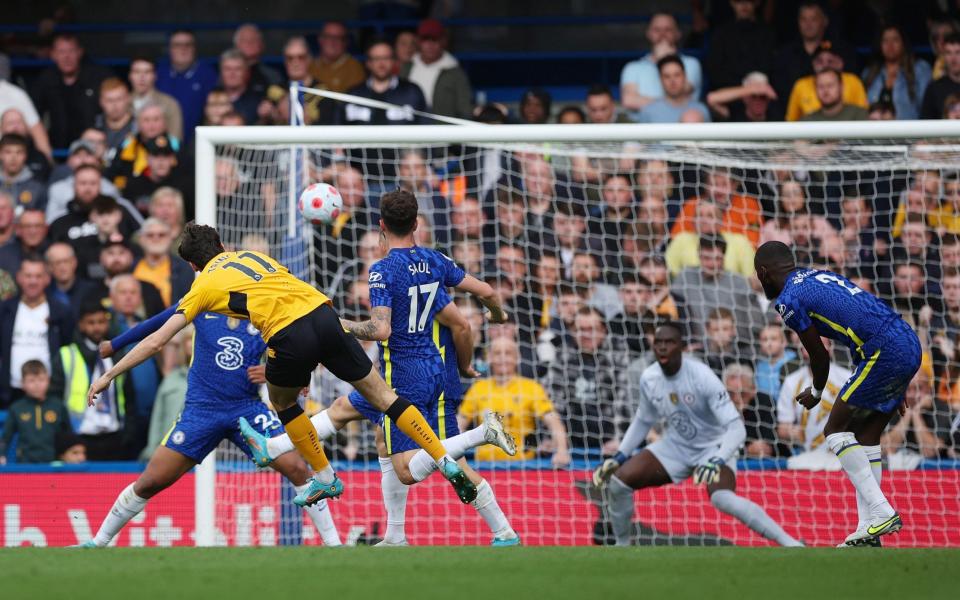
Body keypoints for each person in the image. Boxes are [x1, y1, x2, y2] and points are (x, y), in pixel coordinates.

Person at [85, 221, 476, 508]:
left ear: (191, 265)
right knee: (386, 397)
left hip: (288, 337)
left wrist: (108, 374)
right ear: (223, 243)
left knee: (284, 404)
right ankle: (444, 459)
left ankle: (324, 478)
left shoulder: (201, 286)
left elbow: (156, 339)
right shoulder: (253, 256)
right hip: (325, 314)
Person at [241, 189, 519, 546]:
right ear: (417, 223)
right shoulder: (435, 261)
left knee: (409, 468)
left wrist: (336, 324)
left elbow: (380, 329)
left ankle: (482, 437)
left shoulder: (383, 270)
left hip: (399, 375)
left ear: (381, 225)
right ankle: (395, 536)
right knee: (352, 415)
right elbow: (486, 292)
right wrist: (496, 315)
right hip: (432, 366)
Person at [77, 301, 343, 548]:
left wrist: (277, 372)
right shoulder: (201, 301)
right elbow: (157, 324)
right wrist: (115, 344)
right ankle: (98, 542)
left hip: (246, 408)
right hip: (201, 411)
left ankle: (334, 545)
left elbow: (298, 343)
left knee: (297, 467)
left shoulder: (261, 309)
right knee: (150, 481)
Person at [755, 240, 921, 546]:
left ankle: (882, 510)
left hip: (883, 351)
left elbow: (819, 356)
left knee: (835, 429)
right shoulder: (819, 276)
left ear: (764, 272)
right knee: (866, 435)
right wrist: (898, 379)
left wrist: (817, 390)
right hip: (905, 341)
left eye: (757, 275)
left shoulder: (788, 299)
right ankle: (868, 529)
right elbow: (863, 321)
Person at [592, 322, 802, 547]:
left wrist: (718, 459)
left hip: (714, 447)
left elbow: (736, 428)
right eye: (658, 343)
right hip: (676, 446)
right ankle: (621, 547)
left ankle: (790, 543)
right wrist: (620, 456)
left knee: (722, 498)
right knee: (619, 483)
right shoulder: (649, 378)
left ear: (682, 347)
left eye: (669, 342)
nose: (662, 348)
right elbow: (644, 419)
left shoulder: (702, 376)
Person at [0, 255, 73, 407]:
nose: (33, 281)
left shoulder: (60, 311)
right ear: (19, 278)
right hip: (10, 393)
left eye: (38, 276)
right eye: (28, 276)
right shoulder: (4, 310)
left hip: (49, 392)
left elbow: (66, 345)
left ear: (47, 279)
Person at [29, 34, 112, 148]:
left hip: (94, 149)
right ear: (53, 55)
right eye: (61, 52)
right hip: (57, 149)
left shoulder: (99, 77)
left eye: (71, 51)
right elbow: (32, 114)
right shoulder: (46, 80)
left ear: (80, 52)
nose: (66, 57)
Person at [773, 2, 858, 102]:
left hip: (832, 114)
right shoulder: (785, 54)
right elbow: (777, 90)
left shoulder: (840, 52)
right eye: (803, 19)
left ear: (825, 21)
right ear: (798, 22)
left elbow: (852, 86)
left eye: (813, 19)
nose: (808, 24)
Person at [336, 39, 427, 126]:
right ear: (368, 63)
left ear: (394, 61)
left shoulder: (412, 92)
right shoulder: (353, 95)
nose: (381, 64)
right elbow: (337, 132)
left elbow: (426, 129)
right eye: (376, 58)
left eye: (386, 58)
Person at [0, 360, 72, 464]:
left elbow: (68, 435)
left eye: (41, 379)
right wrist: (1, 455)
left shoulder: (58, 406)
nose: (37, 384)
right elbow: (5, 438)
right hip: (25, 464)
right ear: (23, 383)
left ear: (48, 380)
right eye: (31, 380)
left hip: (54, 464)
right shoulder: (16, 408)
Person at [401, 19, 473, 119]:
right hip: (410, 128)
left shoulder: (456, 73)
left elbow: (465, 111)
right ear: (418, 41)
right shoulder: (407, 67)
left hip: (444, 131)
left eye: (435, 39)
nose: (430, 45)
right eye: (425, 39)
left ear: (443, 41)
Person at [155, 30, 218, 142]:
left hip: (198, 141)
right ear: (170, 49)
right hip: (164, 143)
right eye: (177, 45)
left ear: (194, 48)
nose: (183, 49)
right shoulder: (159, 74)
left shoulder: (207, 74)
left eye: (187, 45)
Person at [861, 25, 931, 121]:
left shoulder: (920, 69)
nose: (890, 45)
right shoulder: (870, 72)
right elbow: (863, 107)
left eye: (895, 40)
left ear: (903, 43)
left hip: (910, 131)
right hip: (875, 132)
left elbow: (927, 108)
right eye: (885, 40)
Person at [785, 43, 868, 121]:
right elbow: (790, 124)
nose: (825, 65)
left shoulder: (859, 114)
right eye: (820, 61)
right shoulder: (807, 120)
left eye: (830, 61)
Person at [704, 0, 775, 90]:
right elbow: (715, 71)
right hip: (729, 93)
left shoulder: (767, 34)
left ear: (756, 2)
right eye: (739, 1)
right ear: (732, 3)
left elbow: (768, 67)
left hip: (758, 92)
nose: (744, 5)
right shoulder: (721, 34)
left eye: (749, 1)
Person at [637, 55, 710, 123]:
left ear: (685, 77)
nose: (672, 81)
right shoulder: (648, 111)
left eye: (677, 75)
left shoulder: (701, 110)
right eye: (667, 76)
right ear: (660, 80)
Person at [127, 57, 183, 141]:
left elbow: (176, 140)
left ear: (155, 75)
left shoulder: (169, 103)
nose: (142, 77)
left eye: (147, 72)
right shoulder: (123, 103)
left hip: (161, 152)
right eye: (137, 72)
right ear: (130, 75)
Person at [310, 21, 365, 94]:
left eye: (338, 38)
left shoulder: (355, 68)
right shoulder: (309, 65)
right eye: (328, 37)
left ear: (346, 42)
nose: (333, 42)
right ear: (320, 39)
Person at [706, 71, 777, 122]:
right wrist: (751, 89)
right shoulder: (736, 112)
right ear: (744, 98)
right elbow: (711, 98)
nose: (758, 101)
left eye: (763, 97)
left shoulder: (775, 114)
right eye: (753, 96)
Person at [0, 134, 46, 212]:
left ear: (25, 155)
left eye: (19, 152)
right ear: (0, 154)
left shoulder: (38, 186)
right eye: (8, 152)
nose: (13, 158)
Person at [799, 69, 869, 121]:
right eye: (821, 86)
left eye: (830, 85)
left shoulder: (860, 115)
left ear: (841, 87)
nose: (825, 91)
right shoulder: (807, 121)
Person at [922, 33, 960, 119]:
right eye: (948, 53)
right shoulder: (934, 88)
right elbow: (925, 124)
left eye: (958, 52)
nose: (953, 58)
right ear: (943, 56)